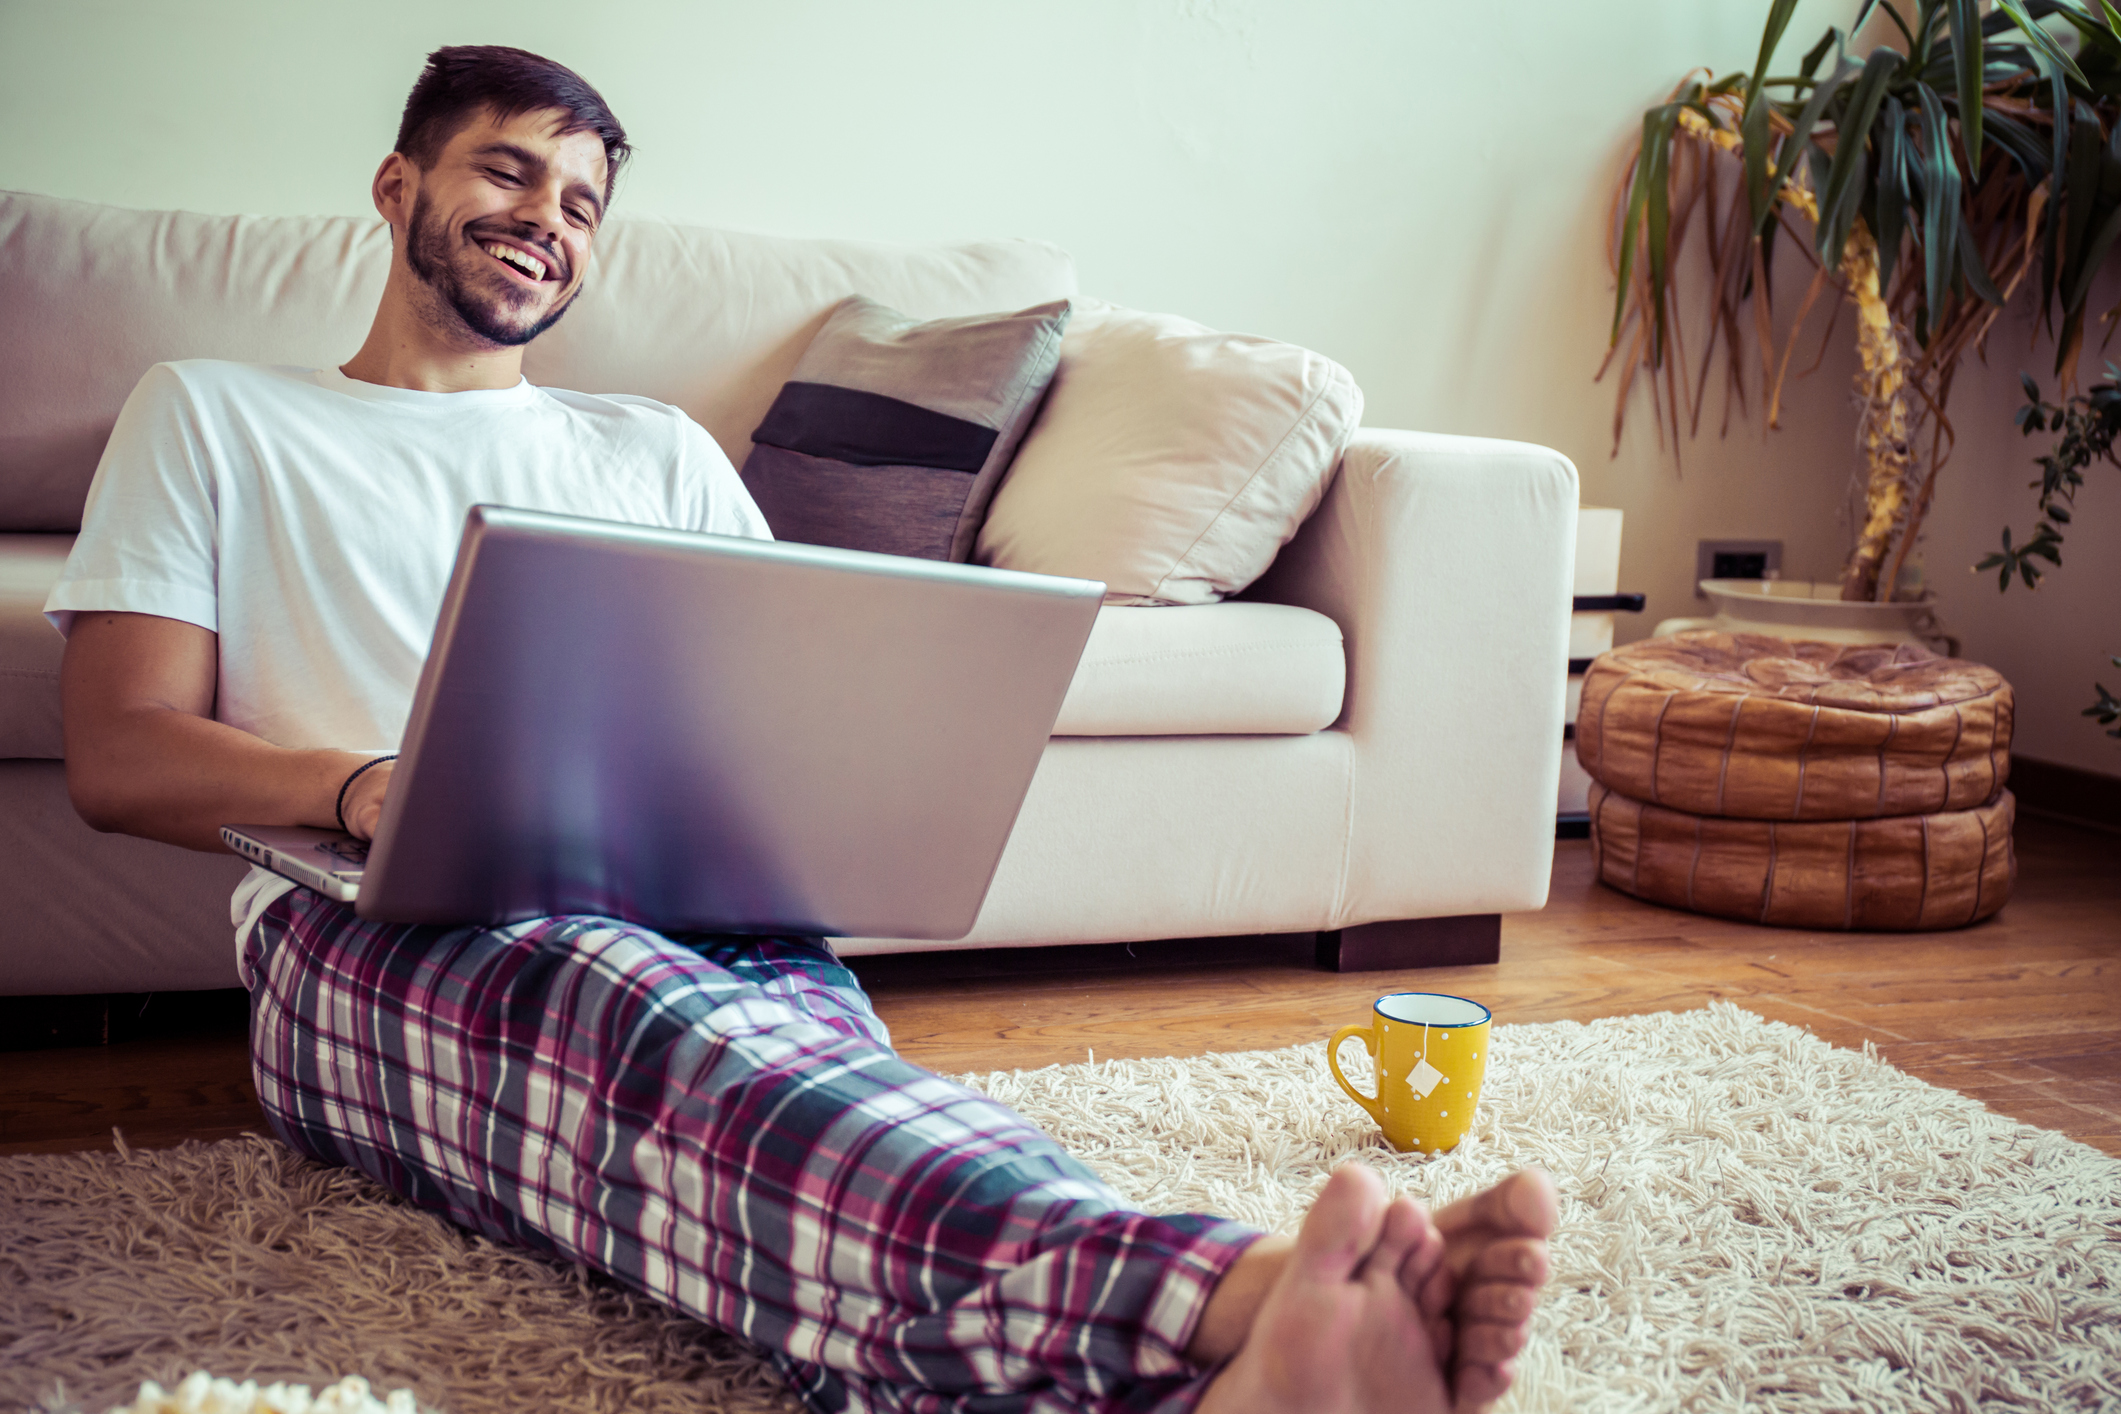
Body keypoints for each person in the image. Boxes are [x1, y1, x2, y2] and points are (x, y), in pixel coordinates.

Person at [48, 45, 1557, 1414]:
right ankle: (1226, 1290)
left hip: (698, 903)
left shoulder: (648, 448)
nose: (546, 218)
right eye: (507, 169)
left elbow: (773, 704)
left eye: (579, 200)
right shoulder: (214, 413)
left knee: (805, 1101)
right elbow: (123, 755)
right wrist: (365, 784)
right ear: (398, 187)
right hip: (362, 924)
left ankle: (1200, 1389)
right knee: (652, 1027)